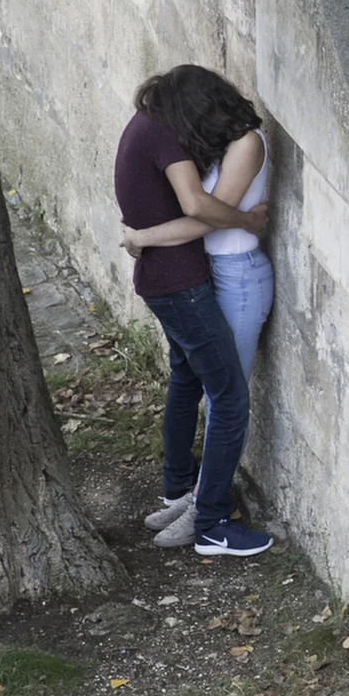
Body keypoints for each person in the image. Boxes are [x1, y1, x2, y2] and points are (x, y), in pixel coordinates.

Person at [113, 65, 273, 559]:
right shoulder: (204, 142)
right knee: (200, 385)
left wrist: (142, 237)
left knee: (227, 395)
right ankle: (195, 506)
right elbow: (195, 210)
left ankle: (204, 515)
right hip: (206, 273)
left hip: (238, 276)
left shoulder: (247, 142)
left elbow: (201, 213)